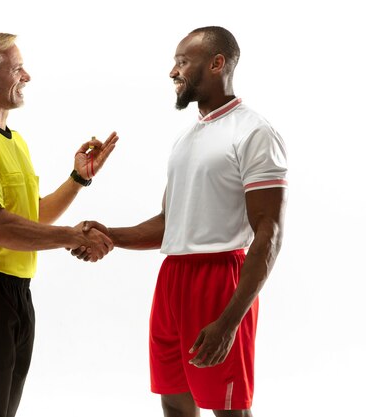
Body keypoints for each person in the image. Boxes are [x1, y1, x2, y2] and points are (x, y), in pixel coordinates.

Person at [75, 26, 288, 417]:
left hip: (220, 280)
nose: (173, 72)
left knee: (227, 409)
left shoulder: (254, 132)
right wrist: (109, 235)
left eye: (182, 62)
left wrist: (229, 322)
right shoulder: (186, 139)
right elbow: (168, 223)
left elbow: (268, 235)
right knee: (174, 402)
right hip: (172, 278)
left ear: (217, 63)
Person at [0, 31, 118, 417]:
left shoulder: (13, 140)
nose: (27, 76)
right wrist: (71, 237)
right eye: (17, 69)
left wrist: (78, 179)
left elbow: (29, 217)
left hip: (16, 294)